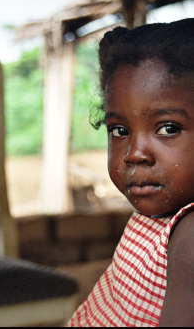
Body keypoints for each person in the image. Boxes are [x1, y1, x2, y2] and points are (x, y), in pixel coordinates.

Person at [68, 18, 194, 327]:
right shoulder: (162, 216)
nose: (134, 154)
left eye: (168, 128)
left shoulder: (191, 236)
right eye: (120, 130)